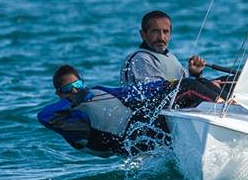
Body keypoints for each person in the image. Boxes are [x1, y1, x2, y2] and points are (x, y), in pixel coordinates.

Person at [37, 65, 223, 158]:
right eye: (68, 89)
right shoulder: (70, 119)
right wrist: (74, 99)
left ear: (83, 83)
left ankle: (228, 104)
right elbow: (44, 116)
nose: (74, 90)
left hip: (146, 121)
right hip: (136, 136)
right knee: (190, 86)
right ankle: (225, 107)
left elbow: (131, 92)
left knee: (203, 83)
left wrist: (166, 84)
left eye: (77, 85)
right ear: (59, 94)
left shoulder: (96, 92)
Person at [120, 10, 206, 85]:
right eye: (155, 32)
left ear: (170, 33)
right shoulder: (140, 58)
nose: (161, 37)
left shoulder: (170, 57)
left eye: (165, 32)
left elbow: (184, 84)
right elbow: (155, 92)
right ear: (143, 34)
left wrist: (194, 73)